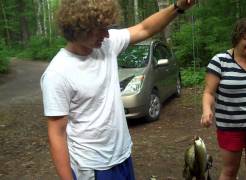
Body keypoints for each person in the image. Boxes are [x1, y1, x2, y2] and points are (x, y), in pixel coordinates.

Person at [40, 0, 196, 179]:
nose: (107, 35)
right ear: (78, 28)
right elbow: (56, 135)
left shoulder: (106, 45)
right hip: (93, 167)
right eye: (100, 29)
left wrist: (178, 7)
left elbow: (144, 28)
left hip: (123, 155)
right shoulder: (57, 73)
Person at [201, 17, 246, 180]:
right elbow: (209, 93)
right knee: (230, 171)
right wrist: (207, 110)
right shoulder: (219, 61)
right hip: (231, 127)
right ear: (237, 38)